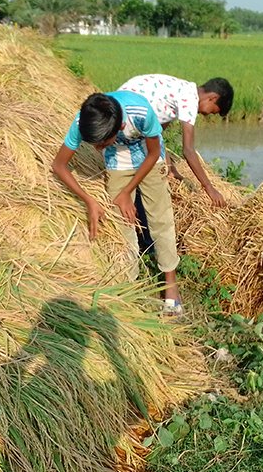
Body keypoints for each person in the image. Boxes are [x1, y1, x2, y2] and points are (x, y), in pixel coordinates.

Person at [51, 92, 184, 316]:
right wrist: (89, 201)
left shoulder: (141, 113)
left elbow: (152, 154)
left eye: (102, 143)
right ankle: (129, 283)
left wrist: (127, 191)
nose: (96, 149)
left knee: (160, 218)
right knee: (123, 224)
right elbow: (59, 166)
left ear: (120, 126)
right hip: (118, 163)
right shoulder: (83, 121)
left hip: (149, 158)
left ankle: (170, 285)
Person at [118, 74, 234, 207]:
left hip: (122, 104)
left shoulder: (181, 89)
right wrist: (209, 188)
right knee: (151, 174)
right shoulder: (190, 100)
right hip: (125, 113)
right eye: (212, 111)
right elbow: (188, 150)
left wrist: (171, 168)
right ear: (213, 98)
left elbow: (158, 135)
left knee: (153, 158)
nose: (207, 115)